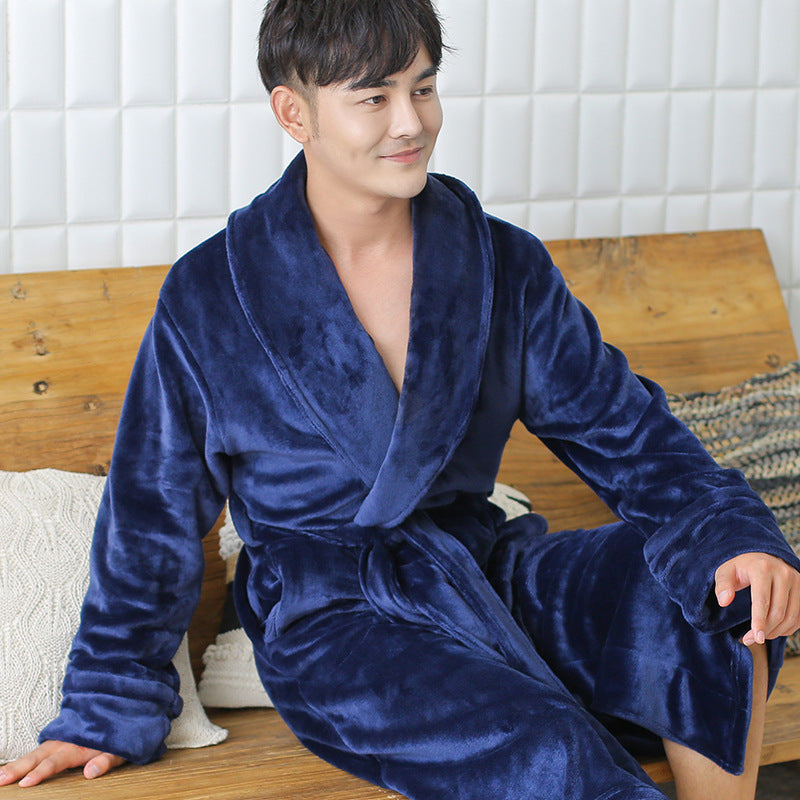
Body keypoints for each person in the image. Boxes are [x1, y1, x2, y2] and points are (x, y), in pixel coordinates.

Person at [2, 1, 800, 797]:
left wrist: (729, 534)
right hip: (337, 622)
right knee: (544, 748)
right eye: (374, 97)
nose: (411, 122)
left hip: (481, 569)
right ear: (294, 113)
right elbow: (153, 512)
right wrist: (105, 705)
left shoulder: (500, 264)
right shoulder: (212, 295)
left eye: (423, 87)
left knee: (712, 585)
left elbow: (626, 433)